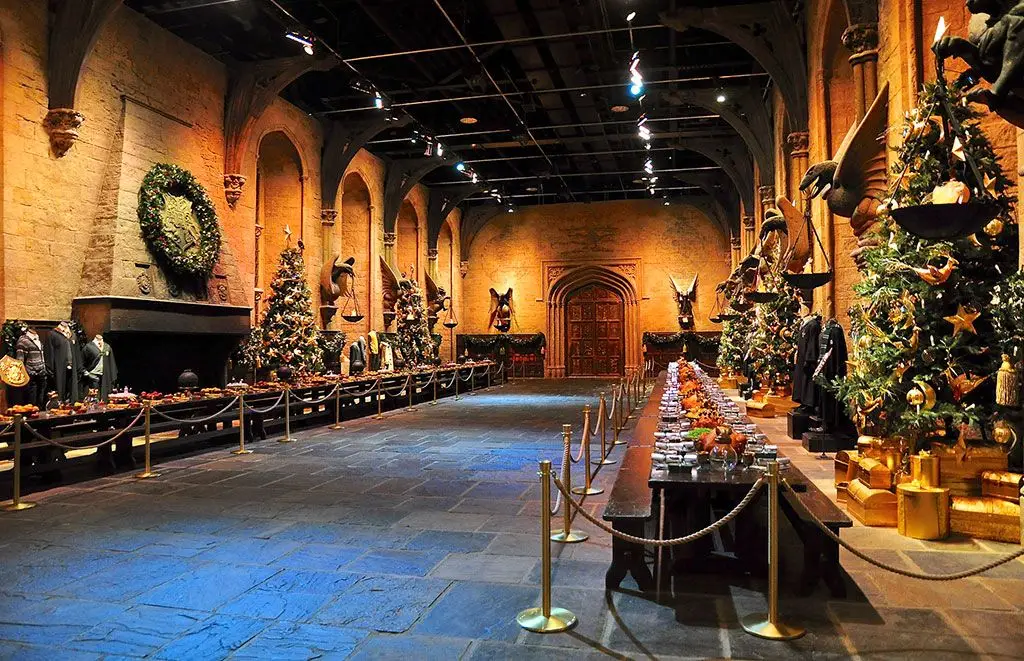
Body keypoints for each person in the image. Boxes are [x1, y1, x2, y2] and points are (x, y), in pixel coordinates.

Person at [15, 327, 46, 408]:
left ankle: (39, 412)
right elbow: (20, 359)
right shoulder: (23, 341)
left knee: (40, 397)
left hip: (41, 371)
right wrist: (23, 372)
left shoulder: (37, 338)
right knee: (31, 398)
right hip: (31, 373)